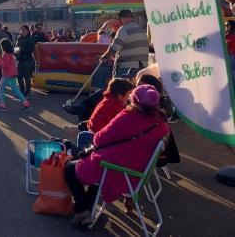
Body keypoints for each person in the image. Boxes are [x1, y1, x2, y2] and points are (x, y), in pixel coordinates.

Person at [64, 84, 170, 228]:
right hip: (138, 173)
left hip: (118, 171)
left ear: (135, 100)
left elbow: (98, 139)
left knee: (70, 168)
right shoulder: (162, 123)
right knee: (94, 164)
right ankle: (88, 210)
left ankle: (82, 210)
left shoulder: (129, 116)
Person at [100, 10, 148, 79]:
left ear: (121, 18)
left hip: (127, 67)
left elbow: (115, 47)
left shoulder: (124, 29)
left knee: (120, 87)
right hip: (142, 66)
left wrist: (105, 56)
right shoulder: (140, 29)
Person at [0, 38, 31, 112]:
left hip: (7, 75)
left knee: (0, 89)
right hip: (12, 74)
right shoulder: (10, 53)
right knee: (16, 90)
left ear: (3, 46)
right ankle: (26, 103)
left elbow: (5, 66)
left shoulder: (6, 54)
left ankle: (2, 105)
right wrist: (0, 59)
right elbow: (7, 64)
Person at [15, 24, 35, 97]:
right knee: (19, 76)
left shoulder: (30, 38)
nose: (23, 31)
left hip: (27, 60)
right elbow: (16, 47)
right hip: (20, 60)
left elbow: (31, 49)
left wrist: (21, 50)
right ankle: (22, 91)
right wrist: (15, 52)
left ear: (27, 31)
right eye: (21, 30)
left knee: (27, 77)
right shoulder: (19, 38)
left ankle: (28, 92)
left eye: (24, 30)